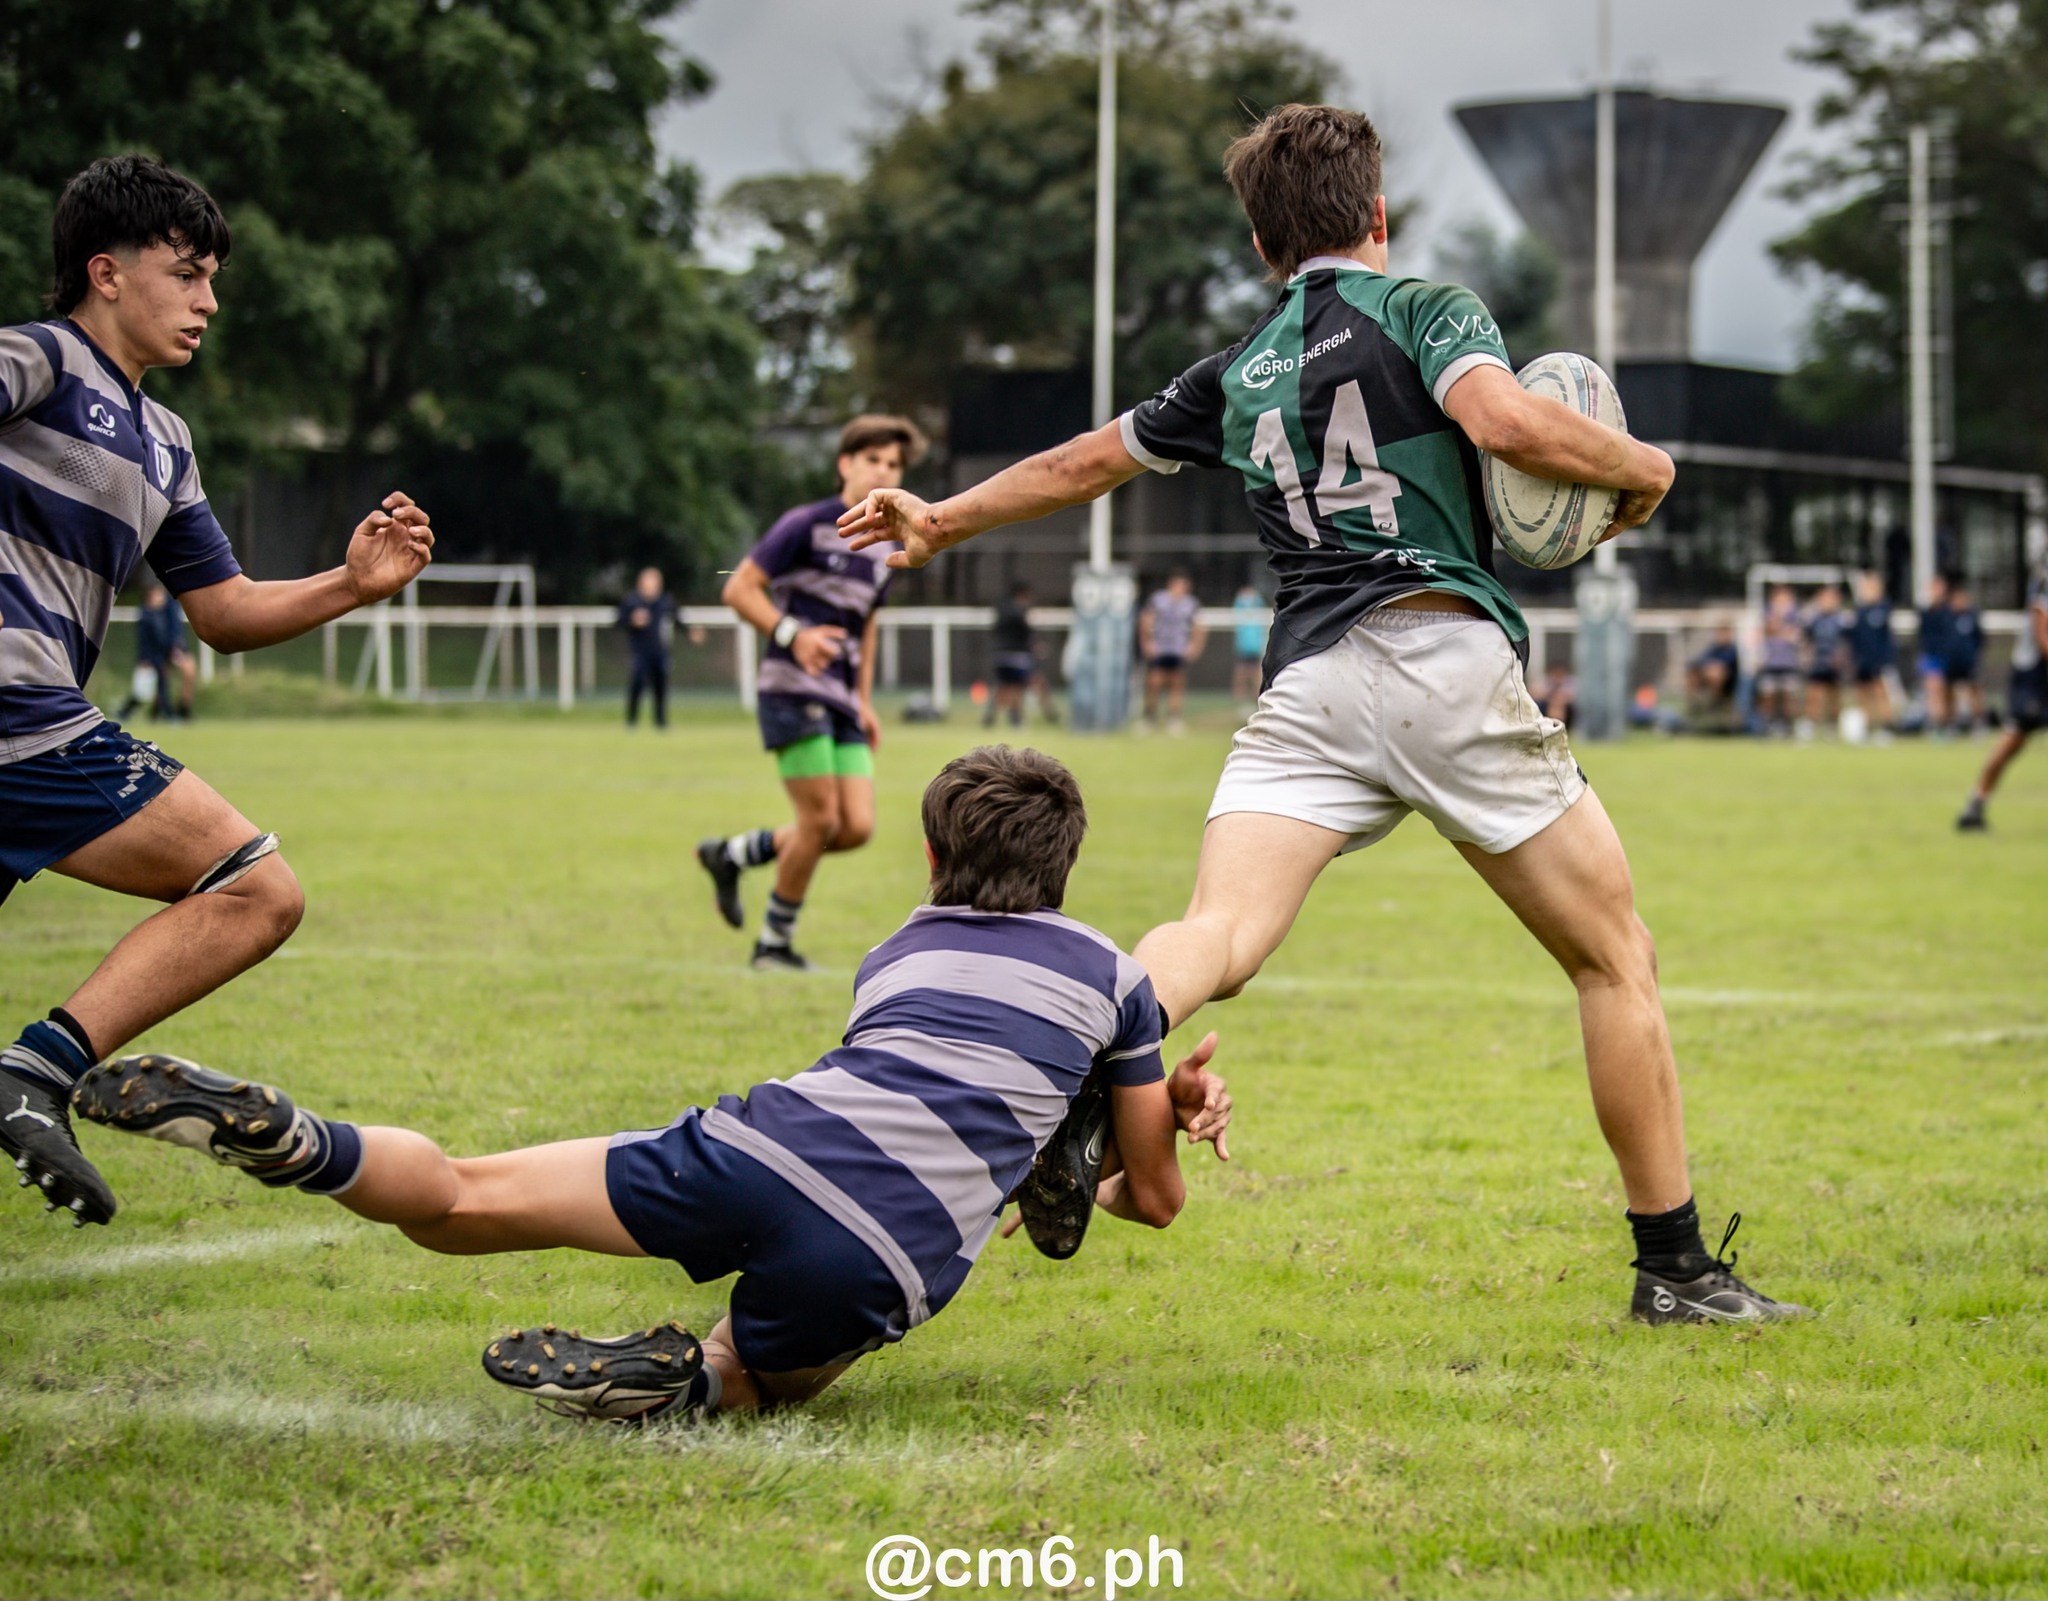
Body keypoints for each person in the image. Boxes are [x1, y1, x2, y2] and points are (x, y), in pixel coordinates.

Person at [841, 101, 1803, 1325]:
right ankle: (1673, 1268)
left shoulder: (1235, 370)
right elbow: (1501, 421)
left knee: (1217, 935)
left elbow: (1083, 461)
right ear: (1377, 218)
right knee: (1613, 958)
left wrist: (940, 517)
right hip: (1438, 655)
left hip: (1307, 685)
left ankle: (1072, 1087)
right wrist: (1646, 468)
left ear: (1261, 246)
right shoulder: (1426, 309)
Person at [69, 747, 1234, 1422]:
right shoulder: (1116, 978)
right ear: (1065, 863)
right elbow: (1144, 1199)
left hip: (769, 1138)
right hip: (887, 1244)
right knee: (772, 1372)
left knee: (464, 1200)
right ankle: (693, 1376)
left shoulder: (899, 952)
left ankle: (307, 1140)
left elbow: (942, 1082)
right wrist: (1153, 1111)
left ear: (931, 859)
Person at [0, 155, 434, 1227]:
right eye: (187, 272)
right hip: (20, 712)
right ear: (105, 271)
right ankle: (34, 1071)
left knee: (254, 889)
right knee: (256, 886)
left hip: (30, 718)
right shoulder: (40, 359)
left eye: (212, 279)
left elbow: (225, 612)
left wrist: (351, 581)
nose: (209, 300)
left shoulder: (165, 441)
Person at [695, 416, 924, 971]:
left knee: (855, 828)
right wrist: (792, 635)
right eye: (874, 460)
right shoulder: (804, 524)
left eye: (894, 465)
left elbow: (866, 626)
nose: (885, 472)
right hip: (791, 688)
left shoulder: (886, 545)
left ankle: (732, 854)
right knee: (819, 821)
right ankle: (774, 945)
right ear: (845, 464)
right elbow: (738, 587)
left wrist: (864, 700)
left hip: (842, 696)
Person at [1956, 557, 2048, 831]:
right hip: (2034, 676)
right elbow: (2043, 635)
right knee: (2013, 741)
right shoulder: (2044, 583)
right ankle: (1975, 805)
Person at [115, 583, 195, 722]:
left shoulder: (170, 609)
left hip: (169, 651)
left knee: (170, 680)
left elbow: (175, 631)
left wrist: (175, 648)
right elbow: (144, 641)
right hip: (155, 655)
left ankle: (177, 712)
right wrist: (144, 658)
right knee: (150, 687)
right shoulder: (146, 616)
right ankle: (163, 714)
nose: (159, 598)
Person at [1139, 572, 1205, 735]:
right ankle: (1149, 718)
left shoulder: (1190, 604)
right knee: (1154, 683)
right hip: (1160, 649)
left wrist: (1194, 647)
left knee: (1176, 684)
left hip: (1178, 649)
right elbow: (1145, 620)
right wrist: (1147, 643)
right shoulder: (1158, 600)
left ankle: (1173, 719)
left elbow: (1199, 626)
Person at [985, 580, 1057, 728]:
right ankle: (1029, 718)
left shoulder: (1001, 610)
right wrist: (1036, 645)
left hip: (999, 655)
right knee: (1021, 686)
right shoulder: (1018, 612)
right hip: (1017, 657)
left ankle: (992, 715)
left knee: (1006, 686)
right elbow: (1027, 633)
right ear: (1023, 594)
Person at [617, 566, 674, 729]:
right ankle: (631, 720)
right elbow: (619, 621)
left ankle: (660, 721)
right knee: (637, 683)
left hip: (660, 651)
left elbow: (678, 618)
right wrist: (633, 621)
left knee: (661, 686)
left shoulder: (665, 602)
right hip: (640, 651)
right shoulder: (632, 601)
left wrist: (692, 631)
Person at [1846, 571, 1896, 733]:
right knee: (1863, 693)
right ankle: (1865, 726)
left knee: (1880, 691)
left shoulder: (1883, 609)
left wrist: (1886, 659)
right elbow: (1854, 637)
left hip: (1879, 660)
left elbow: (1887, 638)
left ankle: (1886, 726)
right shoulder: (1859, 612)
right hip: (1862, 660)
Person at [1801, 583, 1848, 735]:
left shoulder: (1842, 620)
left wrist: (1841, 656)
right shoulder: (1814, 619)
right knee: (1814, 695)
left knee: (1834, 697)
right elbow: (1806, 638)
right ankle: (1809, 725)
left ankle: (1831, 727)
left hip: (1835, 664)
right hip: (1818, 662)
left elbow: (1847, 642)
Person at [1757, 586, 1802, 736]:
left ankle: (1789, 727)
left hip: (1789, 664)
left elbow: (1794, 635)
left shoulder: (1795, 616)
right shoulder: (1767, 614)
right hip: (1770, 664)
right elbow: (1767, 630)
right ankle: (1767, 726)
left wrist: (1780, 629)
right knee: (1768, 696)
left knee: (1789, 697)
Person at [1944, 580, 1984, 733]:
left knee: (1974, 690)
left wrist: (1974, 654)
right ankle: (1951, 725)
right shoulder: (1946, 617)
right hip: (1952, 662)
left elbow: (1980, 638)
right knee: (1949, 692)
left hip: (1969, 661)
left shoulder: (1972, 616)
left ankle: (1978, 723)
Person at [1685, 622, 1741, 731]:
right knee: (1693, 672)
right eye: (1720, 633)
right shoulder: (1713, 648)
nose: (1722, 636)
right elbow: (1699, 660)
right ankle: (1693, 704)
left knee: (1716, 672)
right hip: (1708, 680)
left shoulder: (1732, 649)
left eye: (1725, 633)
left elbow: (1727, 665)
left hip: (1728, 684)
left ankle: (1714, 703)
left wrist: (1712, 667)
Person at [1917, 573, 1953, 731]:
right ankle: (1936, 725)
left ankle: (1948, 724)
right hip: (1932, 657)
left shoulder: (1949, 611)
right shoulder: (1925, 612)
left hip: (1949, 657)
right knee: (1933, 691)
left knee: (1948, 693)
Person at [1230, 582, 1269, 715]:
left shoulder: (1258, 605)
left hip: (1255, 649)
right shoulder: (1240, 605)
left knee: (1256, 678)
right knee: (1240, 677)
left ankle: (1256, 706)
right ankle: (1239, 707)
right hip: (1243, 649)